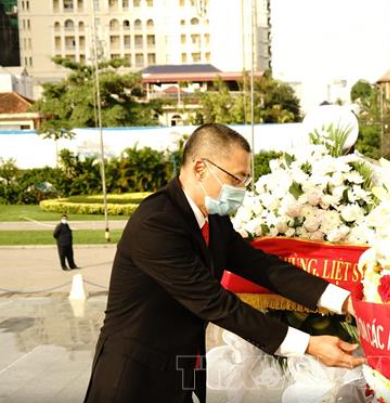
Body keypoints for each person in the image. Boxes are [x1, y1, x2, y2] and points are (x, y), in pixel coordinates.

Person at [84, 123, 364, 403]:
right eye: (236, 179)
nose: (241, 190)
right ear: (200, 168)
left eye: (245, 180)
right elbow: (216, 303)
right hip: (132, 378)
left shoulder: (214, 218)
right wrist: (310, 345)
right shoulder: (156, 223)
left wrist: (346, 301)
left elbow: (263, 267)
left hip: (176, 374)